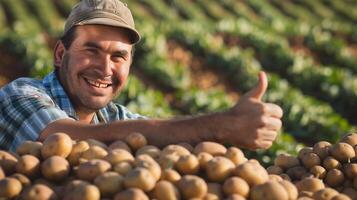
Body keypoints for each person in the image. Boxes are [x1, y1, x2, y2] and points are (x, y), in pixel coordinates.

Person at [0, 0, 282, 151]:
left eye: (118, 56)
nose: (105, 67)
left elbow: (166, 135)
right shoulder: (20, 96)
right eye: (91, 50)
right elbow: (62, 140)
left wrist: (237, 131)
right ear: (61, 54)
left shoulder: (117, 120)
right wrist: (224, 124)